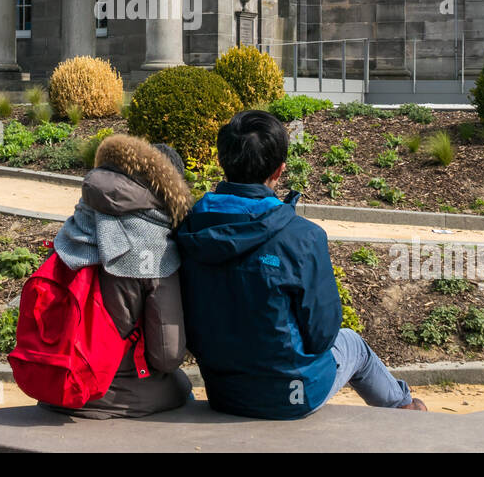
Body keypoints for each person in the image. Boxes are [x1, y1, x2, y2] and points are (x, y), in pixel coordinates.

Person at [175, 110, 425, 419]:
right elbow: (322, 334)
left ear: (222, 162)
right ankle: (407, 411)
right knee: (354, 345)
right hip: (292, 396)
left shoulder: (190, 228)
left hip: (224, 394)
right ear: (279, 171)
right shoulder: (303, 237)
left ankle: (406, 408)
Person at [41, 134, 194, 418]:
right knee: (181, 387)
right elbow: (167, 354)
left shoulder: (75, 227)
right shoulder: (155, 246)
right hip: (120, 392)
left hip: (59, 383)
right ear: (168, 190)